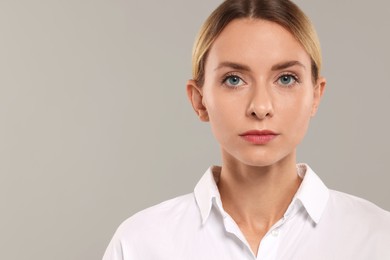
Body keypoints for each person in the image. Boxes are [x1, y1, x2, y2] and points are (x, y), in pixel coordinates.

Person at [103, 0, 390, 259]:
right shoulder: (140, 244)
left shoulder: (378, 239)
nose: (261, 107)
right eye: (234, 80)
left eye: (286, 78)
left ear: (315, 95)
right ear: (199, 100)